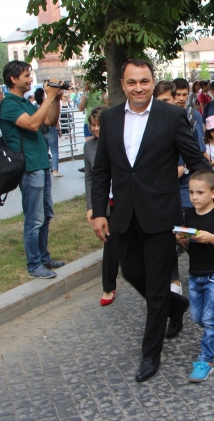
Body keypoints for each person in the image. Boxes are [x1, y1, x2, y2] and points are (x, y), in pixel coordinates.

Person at [90, 58, 214, 383]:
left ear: (153, 81)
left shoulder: (171, 115)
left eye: (144, 81)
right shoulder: (110, 118)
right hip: (124, 214)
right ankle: (176, 305)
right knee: (131, 272)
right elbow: (101, 169)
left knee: (156, 285)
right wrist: (99, 211)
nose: (138, 87)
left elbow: (195, 157)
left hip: (161, 214)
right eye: (131, 82)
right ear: (123, 85)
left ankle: (150, 354)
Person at [0, 61, 66, 279]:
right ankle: (34, 264)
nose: (30, 79)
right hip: (29, 168)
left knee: (46, 215)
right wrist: (49, 97)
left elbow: (50, 121)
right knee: (34, 219)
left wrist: (54, 99)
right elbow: (33, 124)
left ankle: (44, 258)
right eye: (26, 75)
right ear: (13, 79)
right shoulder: (8, 104)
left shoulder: (25, 102)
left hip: (41, 165)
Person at [175, 170, 214, 383]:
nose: (194, 197)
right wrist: (183, 240)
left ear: (213, 193)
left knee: (209, 319)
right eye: (191, 192)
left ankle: (206, 360)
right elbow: (189, 248)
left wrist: (211, 238)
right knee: (197, 317)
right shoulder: (188, 214)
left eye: (199, 192)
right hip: (195, 274)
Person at [155, 79, 206, 301]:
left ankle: (204, 268)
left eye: (169, 99)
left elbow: (198, 156)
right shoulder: (150, 126)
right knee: (167, 238)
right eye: (161, 101)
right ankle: (174, 280)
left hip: (185, 189)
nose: (168, 104)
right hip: (161, 194)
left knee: (186, 235)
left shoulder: (190, 120)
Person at [84, 105, 119, 306]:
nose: (96, 129)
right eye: (93, 125)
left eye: (99, 124)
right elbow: (90, 178)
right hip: (107, 203)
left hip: (125, 199)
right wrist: (92, 207)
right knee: (110, 243)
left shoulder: (119, 141)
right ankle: (108, 287)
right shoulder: (89, 147)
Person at [34, 88, 64, 178]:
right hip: (51, 129)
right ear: (43, 95)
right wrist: (58, 129)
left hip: (41, 130)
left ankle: (45, 168)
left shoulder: (35, 106)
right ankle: (55, 170)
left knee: (45, 150)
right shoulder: (48, 104)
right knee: (54, 150)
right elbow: (54, 118)